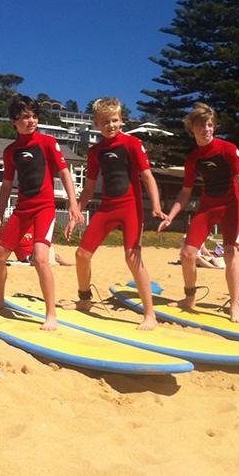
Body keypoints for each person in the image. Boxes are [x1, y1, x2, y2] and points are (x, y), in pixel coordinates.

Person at [0, 94, 83, 330]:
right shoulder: (10, 151)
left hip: (44, 208)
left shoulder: (47, 142)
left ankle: (51, 314)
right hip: (21, 209)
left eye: (35, 116)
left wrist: (74, 204)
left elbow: (65, 173)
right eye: (26, 117)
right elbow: (6, 185)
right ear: (13, 121)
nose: (32, 121)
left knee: (41, 259)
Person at [65, 97, 164, 329]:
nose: (111, 125)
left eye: (115, 120)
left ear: (121, 120)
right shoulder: (95, 151)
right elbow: (89, 187)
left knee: (132, 257)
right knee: (81, 255)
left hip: (131, 207)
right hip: (108, 207)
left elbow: (148, 177)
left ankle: (150, 314)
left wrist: (157, 206)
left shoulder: (132, 144)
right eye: (105, 122)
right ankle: (85, 299)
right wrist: (76, 213)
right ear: (96, 124)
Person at [158, 102, 239, 322]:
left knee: (230, 253)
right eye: (202, 125)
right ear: (192, 129)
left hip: (230, 206)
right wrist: (171, 215)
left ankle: (235, 304)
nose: (206, 129)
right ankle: (190, 297)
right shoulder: (193, 158)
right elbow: (185, 192)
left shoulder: (228, 149)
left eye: (210, 125)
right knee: (187, 253)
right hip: (207, 205)